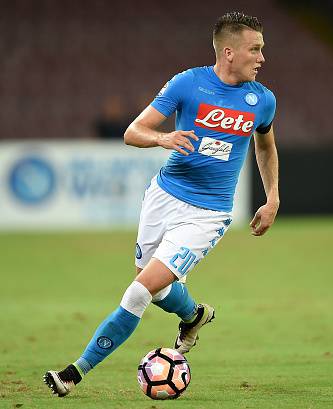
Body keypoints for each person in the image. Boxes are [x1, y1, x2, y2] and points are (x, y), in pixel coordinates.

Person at [43, 11, 279, 397]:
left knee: (138, 291)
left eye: (262, 50)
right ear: (229, 52)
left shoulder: (262, 100)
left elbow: (265, 146)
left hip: (208, 213)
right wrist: (163, 139)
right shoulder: (188, 83)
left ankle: (73, 373)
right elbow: (133, 132)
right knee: (152, 288)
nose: (262, 58)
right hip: (164, 196)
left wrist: (273, 198)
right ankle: (194, 315)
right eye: (255, 49)